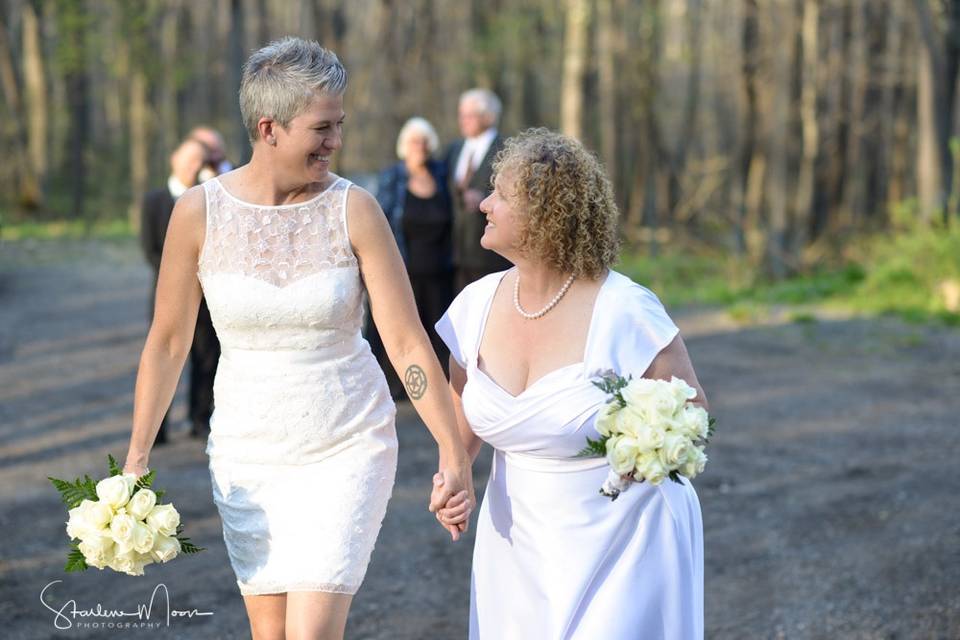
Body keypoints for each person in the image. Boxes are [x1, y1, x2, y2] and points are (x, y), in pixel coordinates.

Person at [122, 37, 472, 640]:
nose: (336, 141)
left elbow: (408, 342)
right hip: (247, 451)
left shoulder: (356, 210)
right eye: (323, 127)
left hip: (346, 442)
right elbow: (168, 341)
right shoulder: (198, 213)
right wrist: (136, 458)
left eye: (340, 124)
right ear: (270, 128)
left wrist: (451, 450)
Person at [433, 129, 707, 639]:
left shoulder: (624, 309)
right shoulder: (473, 306)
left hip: (622, 541)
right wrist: (455, 471)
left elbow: (692, 419)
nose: (484, 204)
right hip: (513, 541)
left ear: (543, 216)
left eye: (501, 195)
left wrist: (643, 454)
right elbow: (462, 409)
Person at [139, 138, 221, 443]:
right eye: (188, 160)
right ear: (174, 159)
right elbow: (150, 249)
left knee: (205, 357)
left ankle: (199, 419)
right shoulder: (154, 200)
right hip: (166, 294)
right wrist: (179, 276)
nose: (193, 167)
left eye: (198, 162)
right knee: (163, 356)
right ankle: (156, 429)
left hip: (204, 298)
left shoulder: (208, 197)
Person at [370, 117, 454, 397]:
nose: (419, 146)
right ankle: (398, 388)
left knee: (437, 336)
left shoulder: (442, 177)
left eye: (424, 141)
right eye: (414, 141)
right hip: (402, 270)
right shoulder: (392, 178)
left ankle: (437, 389)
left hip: (439, 274)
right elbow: (379, 221)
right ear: (404, 146)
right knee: (403, 332)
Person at [445, 88, 512, 293]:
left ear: (489, 117)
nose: (463, 120)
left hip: (490, 258)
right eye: (461, 114)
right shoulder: (454, 149)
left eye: (470, 115)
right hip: (453, 256)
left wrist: (484, 198)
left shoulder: (507, 150)